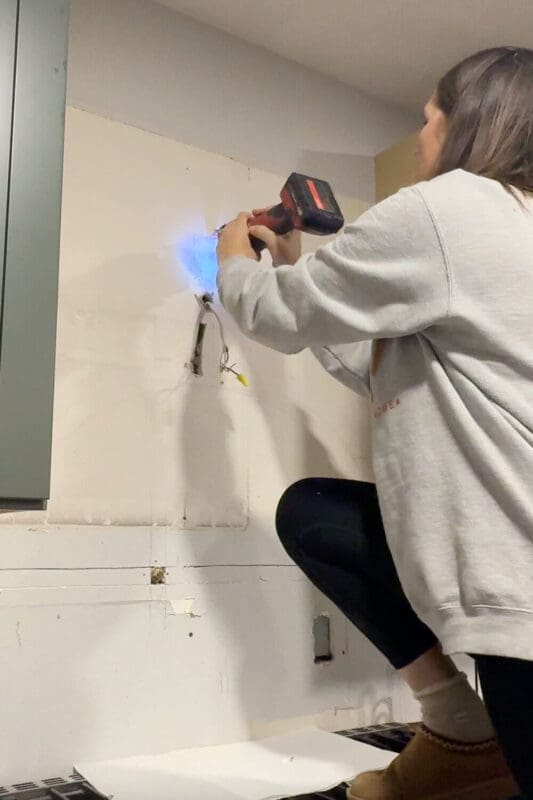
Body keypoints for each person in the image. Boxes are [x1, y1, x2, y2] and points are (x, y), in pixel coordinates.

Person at [216, 46, 533, 800]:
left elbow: (278, 316)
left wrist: (234, 261)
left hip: (518, 587)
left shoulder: (450, 205)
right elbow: (382, 362)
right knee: (320, 516)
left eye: (427, 119)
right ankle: (460, 727)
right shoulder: (509, 228)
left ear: (467, 125)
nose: (423, 137)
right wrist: (295, 267)